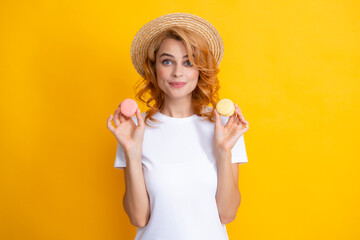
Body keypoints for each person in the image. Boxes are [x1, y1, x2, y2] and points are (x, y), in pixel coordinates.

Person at [107, 13, 249, 240]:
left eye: (189, 62)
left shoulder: (225, 127)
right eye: (167, 61)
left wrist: (224, 151)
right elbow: (138, 218)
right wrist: (132, 152)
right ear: (154, 68)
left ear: (200, 69)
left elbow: (227, 214)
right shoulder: (134, 129)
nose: (177, 72)